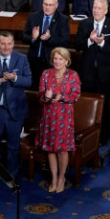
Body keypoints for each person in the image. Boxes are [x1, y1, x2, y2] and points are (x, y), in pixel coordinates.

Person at [0, 31, 32, 189]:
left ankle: (11, 178)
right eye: (3, 43)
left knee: (13, 148)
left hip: (15, 112)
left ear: (13, 44)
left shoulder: (21, 59)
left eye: (9, 43)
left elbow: (29, 80)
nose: (6, 47)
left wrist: (14, 78)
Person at [75, 0, 110, 143]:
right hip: (88, 74)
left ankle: (102, 138)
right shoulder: (85, 24)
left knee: (104, 107)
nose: (95, 10)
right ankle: (86, 137)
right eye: (94, 7)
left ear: (106, 10)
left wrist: (101, 43)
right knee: (87, 106)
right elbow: (77, 45)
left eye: (99, 8)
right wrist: (90, 40)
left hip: (105, 74)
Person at [38, 47, 81, 193]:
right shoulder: (46, 74)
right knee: (50, 149)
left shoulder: (73, 75)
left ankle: (62, 177)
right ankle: (54, 178)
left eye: (60, 59)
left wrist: (61, 97)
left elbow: (76, 95)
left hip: (65, 118)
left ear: (66, 61)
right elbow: (41, 96)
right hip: (49, 117)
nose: (57, 61)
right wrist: (48, 97)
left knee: (62, 150)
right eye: (55, 58)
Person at [23, 0, 70, 86]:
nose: (47, 7)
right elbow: (24, 36)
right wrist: (33, 37)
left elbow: (65, 41)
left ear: (56, 5)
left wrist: (50, 38)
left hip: (51, 62)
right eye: (45, 4)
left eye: (50, 5)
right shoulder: (33, 16)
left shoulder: (63, 20)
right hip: (34, 61)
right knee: (33, 89)